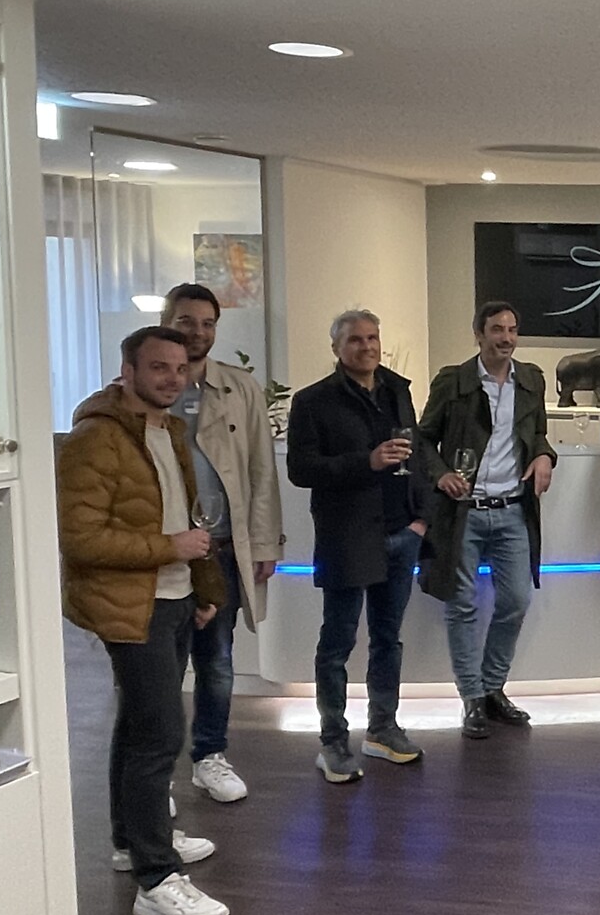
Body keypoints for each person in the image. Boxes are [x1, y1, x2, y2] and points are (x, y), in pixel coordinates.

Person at [57, 326, 230, 915]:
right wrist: (170, 549)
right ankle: (156, 879)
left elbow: (186, 520)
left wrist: (202, 588)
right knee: (159, 735)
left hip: (173, 598)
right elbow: (80, 538)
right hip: (132, 606)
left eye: (180, 368)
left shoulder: (169, 429)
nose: (172, 378)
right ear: (127, 370)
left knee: (138, 727)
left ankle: (131, 843)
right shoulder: (94, 438)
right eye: (159, 367)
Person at [286, 310, 435, 782]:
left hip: (401, 534)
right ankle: (332, 741)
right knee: (337, 643)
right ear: (336, 348)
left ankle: (383, 729)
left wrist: (421, 519)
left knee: (388, 639)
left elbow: (418, 452)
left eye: (372, 338)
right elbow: (300, 469)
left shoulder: (397, 390)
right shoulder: (313, 401)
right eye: (355, 339)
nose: (366, 346)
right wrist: (365, 462)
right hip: (347, 536)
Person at [159, 283, 283, 805]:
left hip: (223, 548)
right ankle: (156, 775)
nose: (198, 332)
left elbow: (261, 471)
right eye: (186, 321)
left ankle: (209, 756)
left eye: (207, 323)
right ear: (167, 321)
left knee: (217, 661)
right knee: (161, 669)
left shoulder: (239, 387)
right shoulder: (141, 387)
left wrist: (264, 543)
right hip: (162, 553)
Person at [417, 301, 557, 739]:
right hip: (465, 512)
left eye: (512, 330)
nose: (506, 338)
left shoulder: (530, 379)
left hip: (513, 509)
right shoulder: (453, 381)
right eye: (497, 329)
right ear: (478, 334)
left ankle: (493, 687)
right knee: (461, 605)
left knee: (515, 600)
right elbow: (423, 439)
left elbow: (538, 433)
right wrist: (441, 474)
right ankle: (472, 697)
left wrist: (544, 456)